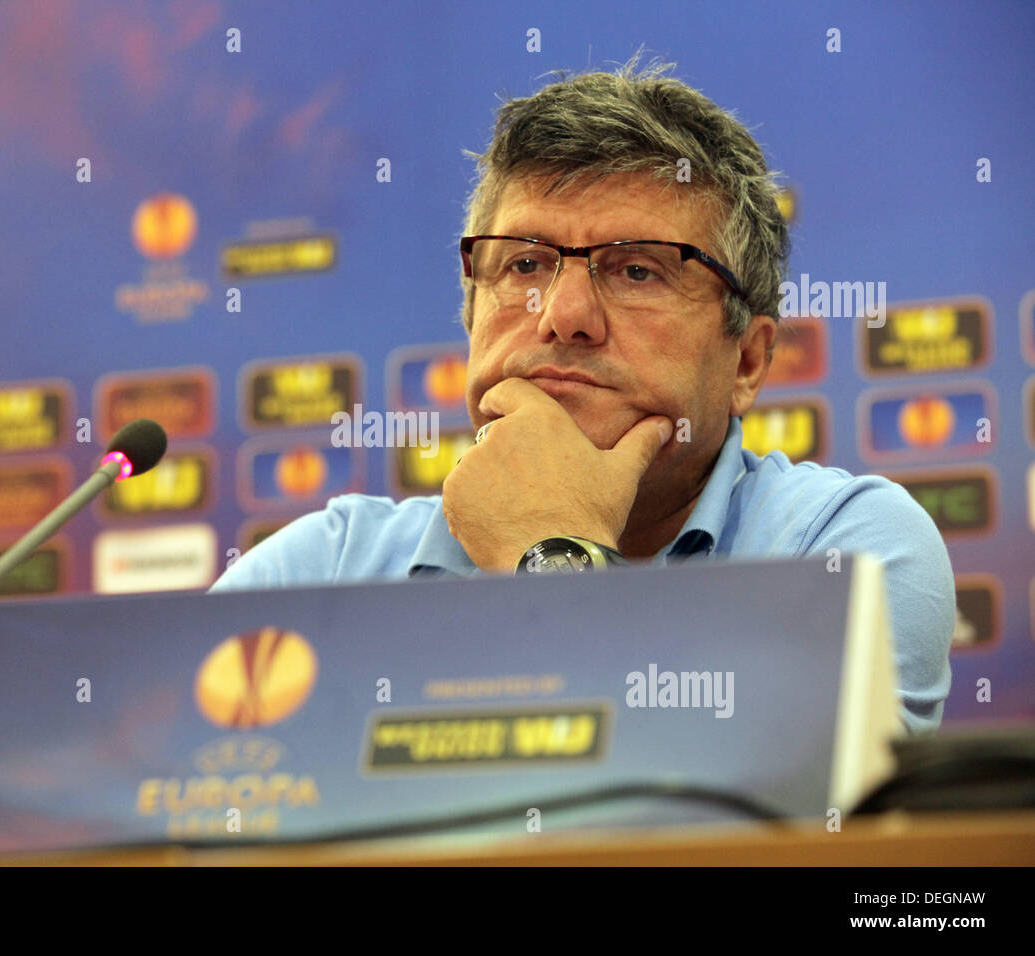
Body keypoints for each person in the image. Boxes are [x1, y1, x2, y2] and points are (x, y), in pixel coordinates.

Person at [211, 57, 954, 734]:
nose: (562, 315)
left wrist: (550, 550)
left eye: (638, 271)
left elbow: (767, 815)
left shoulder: (845, 550)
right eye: (526, 264)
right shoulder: (321, 570)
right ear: (471, 313)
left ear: (748, 362)